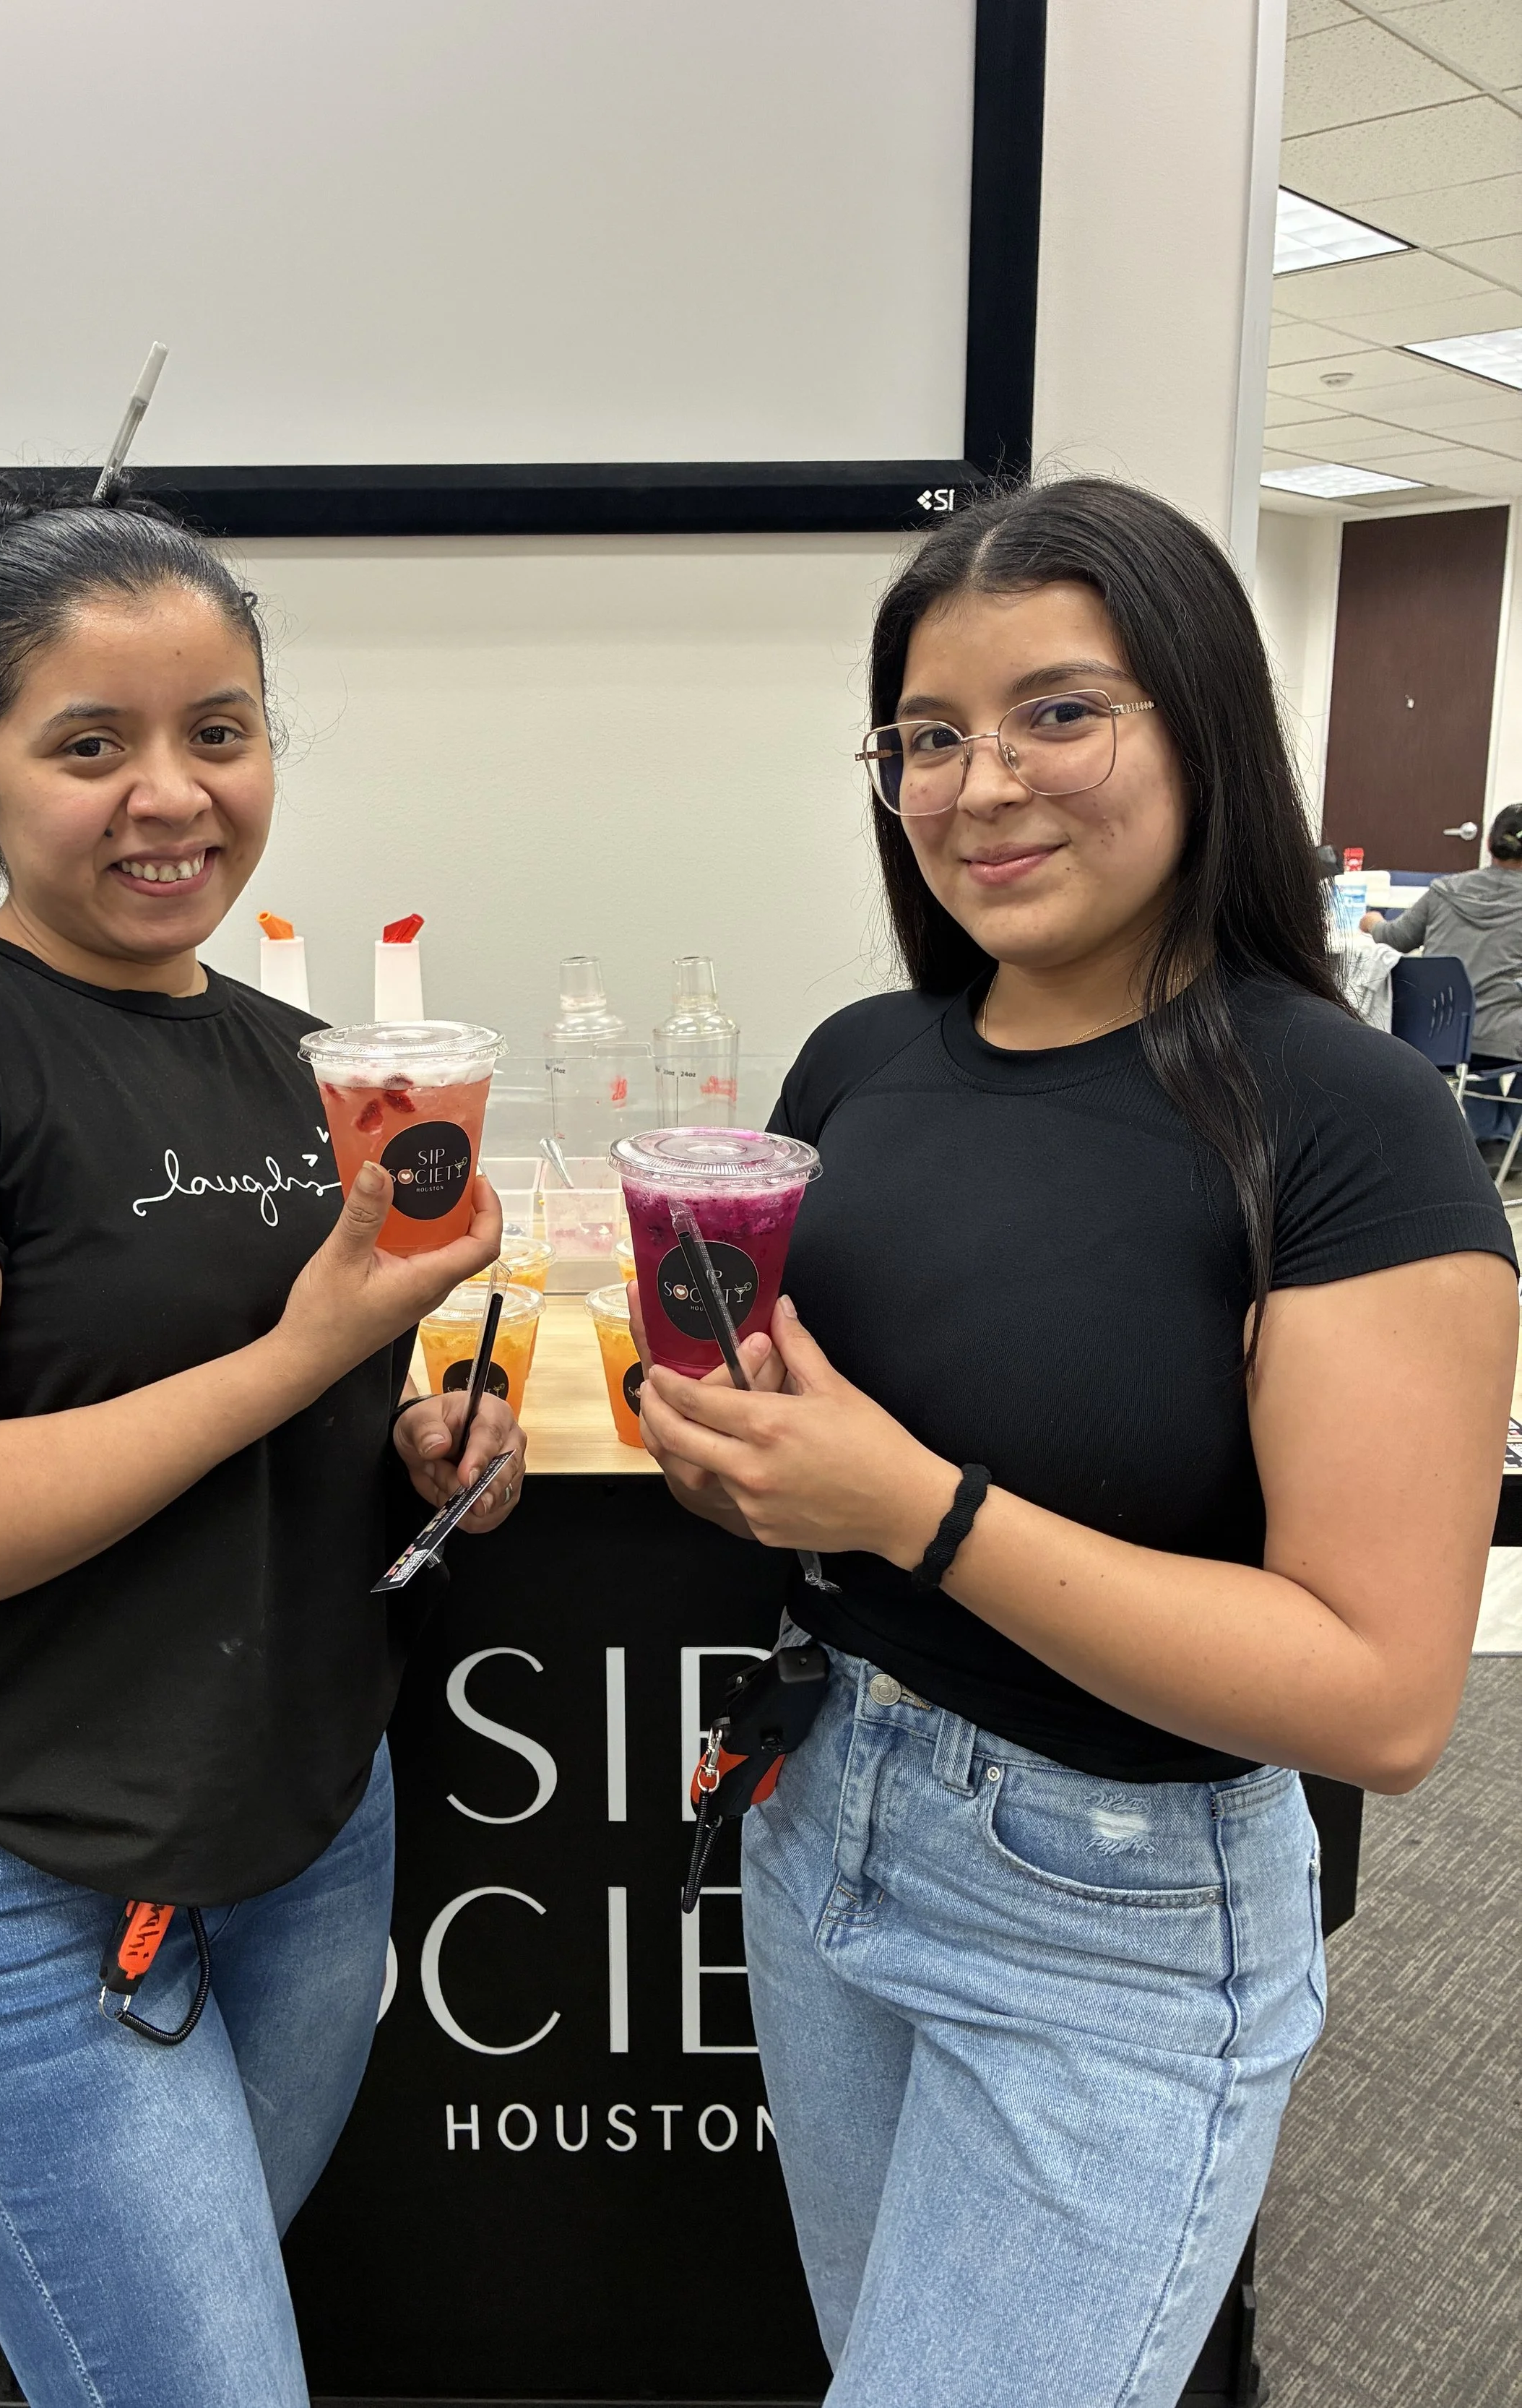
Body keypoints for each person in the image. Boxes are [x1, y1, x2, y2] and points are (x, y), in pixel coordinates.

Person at [631, 480, 1514, 2407]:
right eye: (925, 736)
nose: (979, 782)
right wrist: (728, 1457)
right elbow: (803, 1455)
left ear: (1197, 722)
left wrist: (913, 1507)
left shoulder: (1350, 1124)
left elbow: (1377, 1696)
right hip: (825, 1817)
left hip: (1113, 1897)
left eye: (1056, 711)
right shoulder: (858, 1064)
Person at [0, 480, 525, 2408]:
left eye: (217, 730)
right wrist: (304, 1348)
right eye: (87, 744)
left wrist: (425, 1432)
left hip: (312, 1833)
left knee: (127, 2347)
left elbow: (322, 1412)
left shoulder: (309, 1055)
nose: (169, 792)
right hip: (40, 1855)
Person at [1361, 803, 1522, 1069]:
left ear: (1488, 843)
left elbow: (1396, 939)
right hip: (1506, 1041)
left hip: (1435, 1035)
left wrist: (1373, 923)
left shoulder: (1444, 890)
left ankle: (1480, 1108)